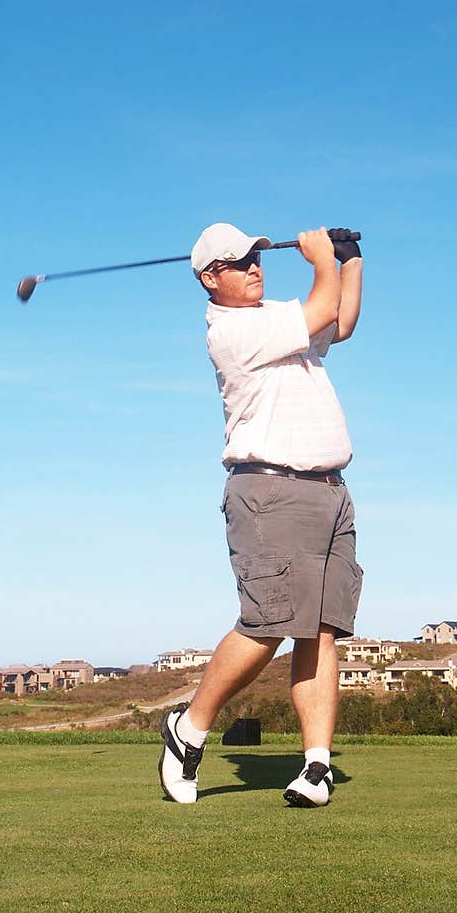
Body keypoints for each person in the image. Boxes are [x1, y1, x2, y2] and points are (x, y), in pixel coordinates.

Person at [158, 221, 363, 807]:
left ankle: (316, 767)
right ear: (208, 279)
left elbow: (339, 322)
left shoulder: (276, 317)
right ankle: (189, 727)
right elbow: (322, 303)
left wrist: (350, 260)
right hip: (271, 491)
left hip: (329, 490)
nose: (254, 266)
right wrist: (322, 257)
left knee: (322, 628)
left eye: (255, 256)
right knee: (269, 624)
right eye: (238, 261)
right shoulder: (234, 331)